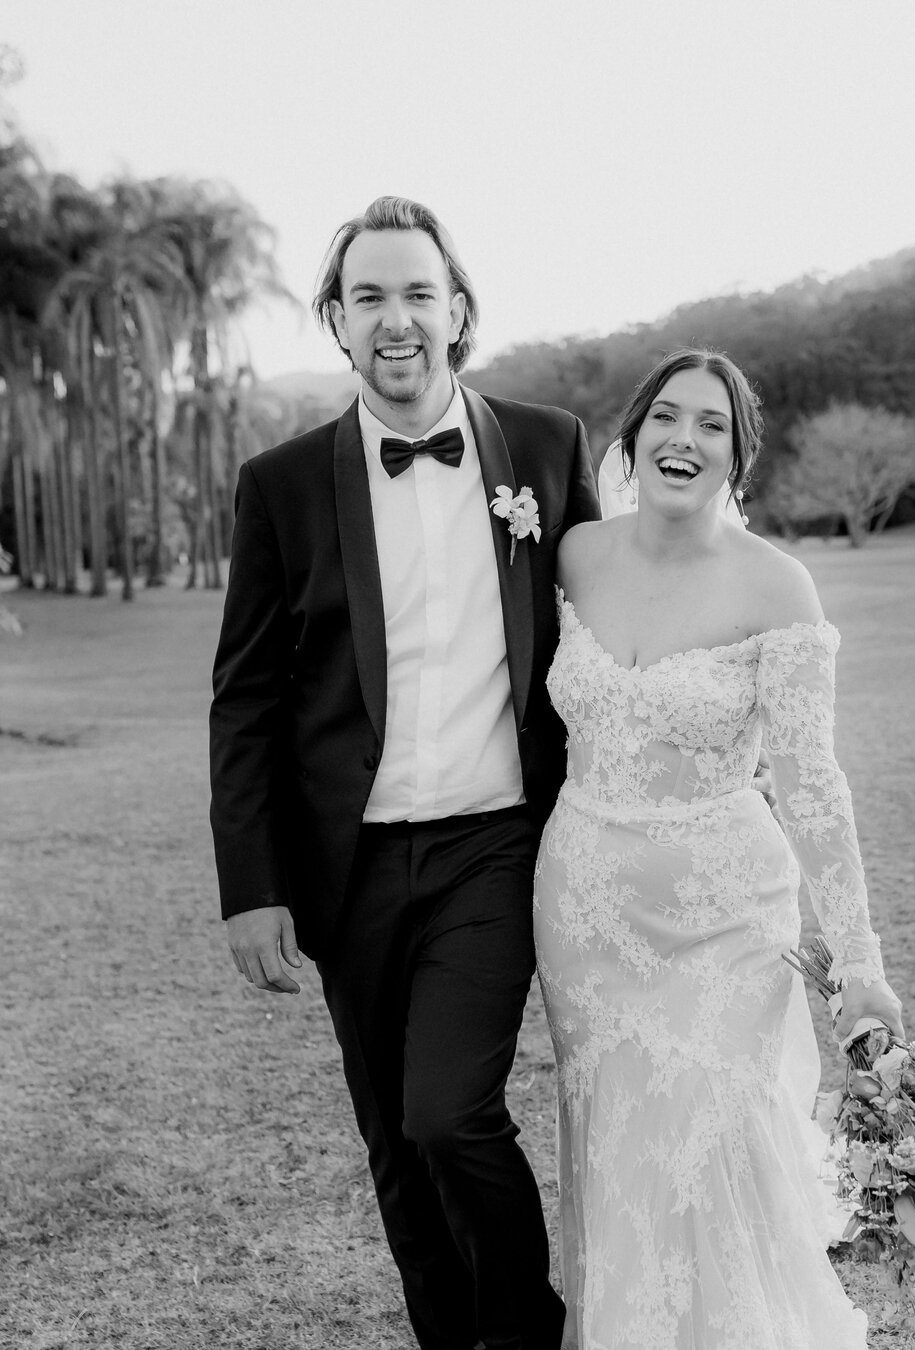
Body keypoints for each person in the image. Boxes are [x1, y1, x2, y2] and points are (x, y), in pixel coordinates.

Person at [209, 195, 600, 1350]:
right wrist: (252, 882)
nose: (396, 319)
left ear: (459, 309)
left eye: (417, 292)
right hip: (350, 866)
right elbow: (247, 697)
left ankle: (526, 1332)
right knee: (391, 1139)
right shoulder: (278, 486)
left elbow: (611, 620)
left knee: (448, 1113)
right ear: (334, 319)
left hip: (497, 844)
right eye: (368, 296)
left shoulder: (546, 445)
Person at [534, 347, 904, 1349]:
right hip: (585, 914)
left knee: (716, 1146)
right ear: (633, 436)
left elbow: (814, 787)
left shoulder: (778, 588)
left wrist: (859, 964)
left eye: (711, 425)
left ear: (738, 458)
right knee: (619, 1148)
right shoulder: (572, 557)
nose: (683, 439)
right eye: (667, 417)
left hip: (726, 922)